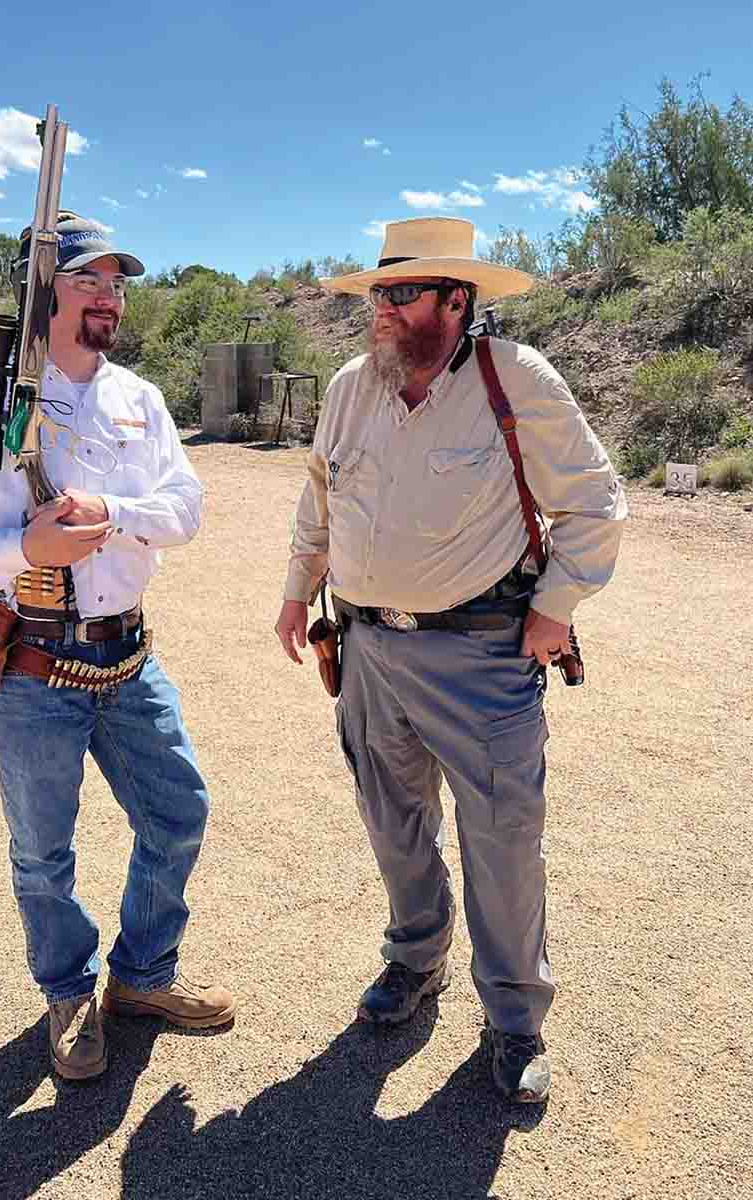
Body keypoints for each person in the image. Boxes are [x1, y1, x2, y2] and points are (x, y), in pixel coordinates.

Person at [275, 217, 626, 1103]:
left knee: (503, 839)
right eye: (377, 295)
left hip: (481, 654)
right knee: (392, 823)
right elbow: (320, 492)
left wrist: (555, 608)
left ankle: (515, 1019)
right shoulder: (353, 385)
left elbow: (595, 503)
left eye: (401, 294)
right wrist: (296, 588)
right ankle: (413, 962)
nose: (382, 311)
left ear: (456, 301)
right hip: (366, 647)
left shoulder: (517, 379)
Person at [0, 215, 234, 1082]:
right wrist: (24, 551)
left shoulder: (141, 400)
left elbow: (187, 510)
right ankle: (67, 991)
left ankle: (141, 978)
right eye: (91, 280)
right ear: (41, 292)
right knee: (42, 852)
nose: (110, 297)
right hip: (29, 665)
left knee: (178, 816)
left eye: (117, 285)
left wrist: (113, 516)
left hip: (127, 658)